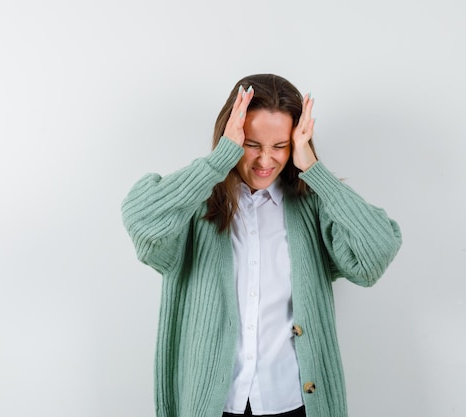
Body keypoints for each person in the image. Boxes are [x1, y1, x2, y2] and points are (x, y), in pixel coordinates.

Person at [121, 74, 402, 417]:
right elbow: (142, 219)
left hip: (295, 402)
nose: (265, 161)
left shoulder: (311, 207)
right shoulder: (194, 206)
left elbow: (377, 252)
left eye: (280, 146)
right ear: (232, 134)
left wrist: (314, 169)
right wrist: (218, 160)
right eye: (252, 144)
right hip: (213, 405)